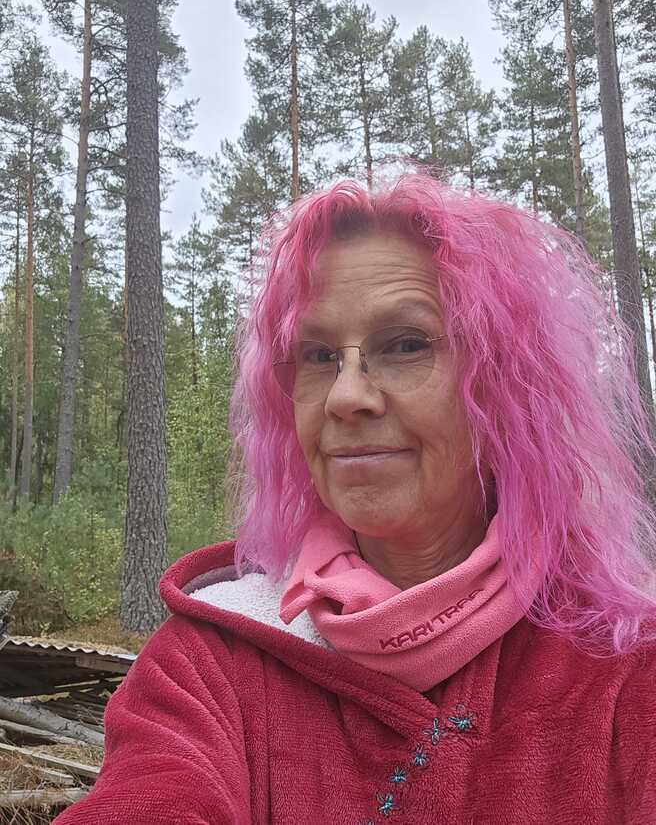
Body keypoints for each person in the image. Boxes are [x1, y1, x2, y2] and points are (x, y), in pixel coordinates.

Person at [55, 173, 656, 825]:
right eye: (318, 355)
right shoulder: (210, 664)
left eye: (405, 344)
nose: (345, 397)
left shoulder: (622, 663)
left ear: (507, 386)